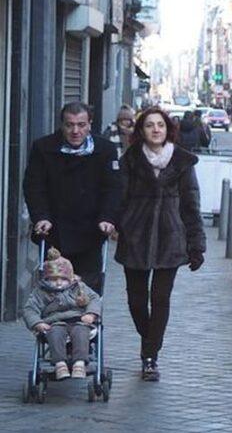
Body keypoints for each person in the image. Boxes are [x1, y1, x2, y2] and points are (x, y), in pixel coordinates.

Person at [115, 107, 205, 381]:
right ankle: (149, 340)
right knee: (136, 301)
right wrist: (115, 224)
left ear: (168, 130)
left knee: (161, 299)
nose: (156, 129)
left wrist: (196, 245)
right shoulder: (130, 160)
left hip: (170, 238)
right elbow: (119, 198)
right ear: (141, 131)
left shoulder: (182, 162)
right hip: (135, 237)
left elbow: (191, 205)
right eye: (150, 125)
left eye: (161, 125)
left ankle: (150, 357)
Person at [23, 102, 120, 296]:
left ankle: (87, 323)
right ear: (62, 125)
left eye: (81, 125)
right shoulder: (43, 148)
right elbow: (34, 186)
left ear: (90, 124)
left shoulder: (105, 150)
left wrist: (107, 217)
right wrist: (41, 216)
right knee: (53, 288)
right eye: (70, 125)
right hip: (54, 230)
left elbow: (113, 187)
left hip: (90, 231)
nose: (75, 131)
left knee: (87, 291)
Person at [22, 248, 101, 380]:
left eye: (63, 279)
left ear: (70, 278)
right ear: (46, 279)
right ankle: (60, 363)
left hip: (79, 320)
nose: (58, 283)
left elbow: (94, 299)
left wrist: (91, 314)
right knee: (55, 334)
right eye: (53, 279)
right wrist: (38, 322)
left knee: (81, 333)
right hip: (54, 322)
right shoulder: (41, 292)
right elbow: (30, 309)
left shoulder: (79, 287)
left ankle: (79, 363)